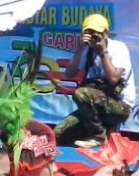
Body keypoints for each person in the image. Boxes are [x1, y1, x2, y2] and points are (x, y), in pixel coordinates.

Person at [56, 14, 132, 142]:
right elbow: (69, 74)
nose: (93, 37)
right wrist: (80, 49)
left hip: (120, 106)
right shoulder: (87, 50)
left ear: (106, 33)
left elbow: (113, 78)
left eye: (96, 34)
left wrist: (102, 52)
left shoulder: (118, 48)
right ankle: (95, 130)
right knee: (58, 133)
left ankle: (98, 136)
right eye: (89, 33)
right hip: (94, 106)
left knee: (81, 93)